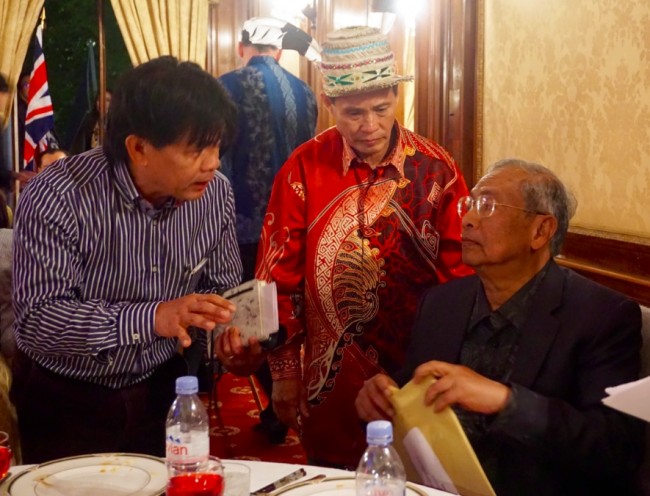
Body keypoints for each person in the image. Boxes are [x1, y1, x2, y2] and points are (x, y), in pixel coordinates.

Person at [221, 26, 472, 469]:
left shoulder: (437, 170)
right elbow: (276, 282)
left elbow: (463, 278)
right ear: (329, 104)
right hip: (331, 382)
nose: (370, 126)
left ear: (395, 94)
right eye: (354, 112)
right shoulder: (303, 168)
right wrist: (284, 376)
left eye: (381, 108)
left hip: (419, 375)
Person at [355, 159, 645, 495]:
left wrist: (506, 402)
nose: (467, 220)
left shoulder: (600, 315)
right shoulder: (441, 303)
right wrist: (381, 404)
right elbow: (413, 400)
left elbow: (616, 450)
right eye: (470, 204)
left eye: (488, 206)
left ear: (540, 231)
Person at [11, 56, 242, 464]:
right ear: (139, 148)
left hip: (162, 389)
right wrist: (153, 317)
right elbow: (39, 321)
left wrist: (229, 335)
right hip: (67, 397)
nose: (214, 162)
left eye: (217, 145)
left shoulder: (215, 193)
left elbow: (218, 288)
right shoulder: (57, 196)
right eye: (197, 149)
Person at [217, 16, 318, 443]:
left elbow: (216, 162)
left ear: (244, 47)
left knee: (249, 324)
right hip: (297, 223)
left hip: (241, 225)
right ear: (278, 50)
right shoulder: (306, 94)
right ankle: (289, 400)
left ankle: (273, 397)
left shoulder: (226, 87)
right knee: (288, 315)